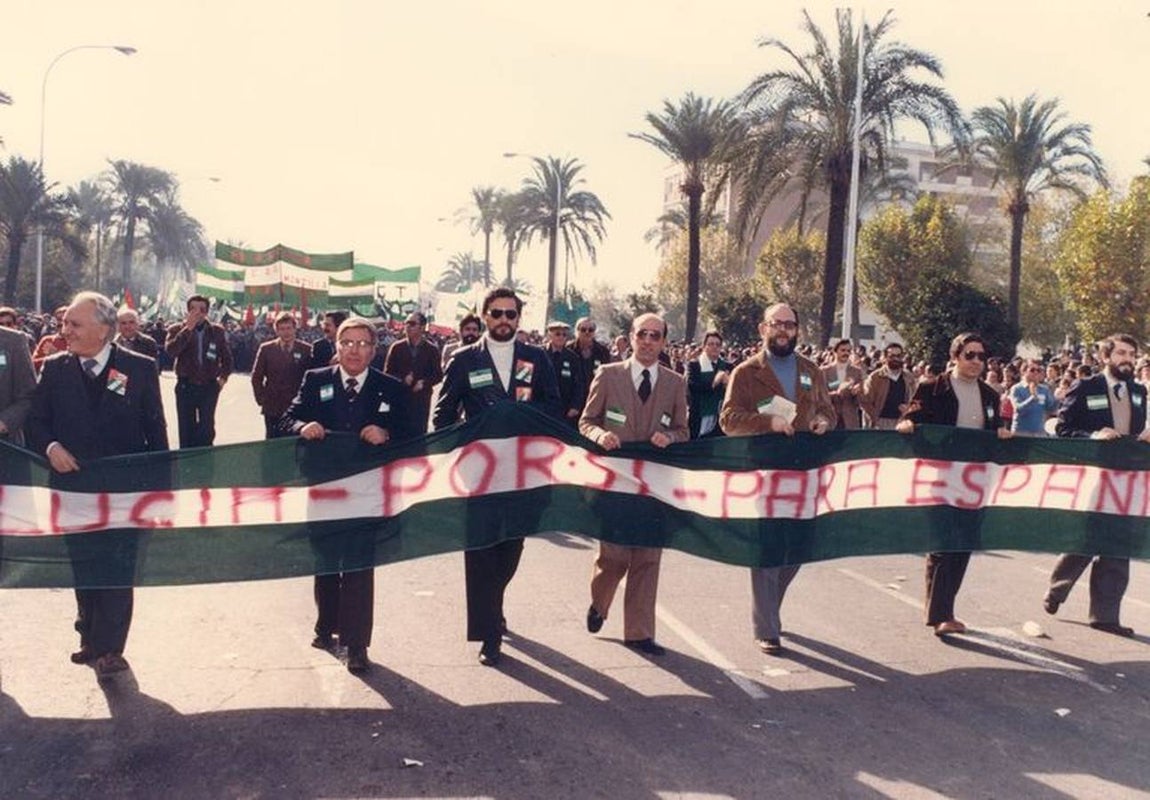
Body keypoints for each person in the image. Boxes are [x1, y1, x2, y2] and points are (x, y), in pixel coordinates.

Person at [25, 291, 169, 678]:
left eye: (74, 324)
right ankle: (89, 636)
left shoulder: (139, 368)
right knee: (83, 563)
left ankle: (110, 649)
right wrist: (51, 447)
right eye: (65, 323)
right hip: (72, 488)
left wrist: (161, 491)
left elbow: (156, 429)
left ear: (104, 330)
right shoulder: (55, 368)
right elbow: (36, 422)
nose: (64, 330)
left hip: (124, 492)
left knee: (119, 566)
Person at [432, 287, 562, 666]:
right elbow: (442, 415)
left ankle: (494, 603)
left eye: (511, 314)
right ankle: (489, 634)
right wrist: (462, 444)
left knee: (511, 547)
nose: (504, 320)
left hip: (523, 469)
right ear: (484, 316)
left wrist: (519, 416)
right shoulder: (462, 360)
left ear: (519, 319)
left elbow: (553, 406)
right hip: (479, 471)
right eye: (496, 313)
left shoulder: (536, 358)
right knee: (480, 550)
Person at [280, 317, 413, 672]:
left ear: (374, 349)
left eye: (362, 343)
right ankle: (326, 626)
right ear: (336, 347)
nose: (354, 350)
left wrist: (385, 433)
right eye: (347, 343)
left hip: (368, 492)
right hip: (323, 488)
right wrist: (302, 426)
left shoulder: (391, 387)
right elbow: (287, 417)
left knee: (358, 564)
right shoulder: (315, 380)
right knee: (325, 561)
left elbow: (411, 433)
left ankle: (356, 644)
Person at [719, 303, 834, 655]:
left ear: (797, 330)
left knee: (797, 548)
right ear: (762, 328)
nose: (783, 330)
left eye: (789, 324)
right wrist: (766, 422)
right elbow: (728, 419)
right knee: (768, 547)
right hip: (764, 471)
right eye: (776, 324)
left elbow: (827, 409)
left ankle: (769, 607)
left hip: (803, 471)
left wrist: (823, 422)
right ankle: (767, 627)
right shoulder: (745, 372)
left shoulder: (811, 371)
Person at [580, 312, 689, 656]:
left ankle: (639, 633)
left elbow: (685, 430)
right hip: (614, 481)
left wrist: (669, 436)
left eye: (655, 336)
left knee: (647, 558)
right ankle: (599, 603)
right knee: (612, 557)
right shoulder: (608, 375)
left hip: (652, 484)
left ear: (663, 342)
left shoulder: (675, 383)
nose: (648, 341)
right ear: (631, 337)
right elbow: (587, 420)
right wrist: (601, 434)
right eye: (642, 334)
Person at [896, 332, 1011, 636]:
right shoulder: (932, 388)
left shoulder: (990, 394)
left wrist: (1000, 432)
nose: (976, 361)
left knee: (961, 544)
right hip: (940, 476)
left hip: (975, 480)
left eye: (981, 356)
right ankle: (941, 614)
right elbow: (911, 420)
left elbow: (992, 427)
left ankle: (939, 610)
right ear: (955, 356)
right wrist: (909, 425)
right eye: (969, 355)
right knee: (946, 542)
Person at [1043, 334, 1150, 637]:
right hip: (1092, 476)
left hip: (1127, 479)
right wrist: (1092, 437)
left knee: (1118, 543)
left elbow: (1135, 429)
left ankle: (1105, 615)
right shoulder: (1086, 387)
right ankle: (1057, 590)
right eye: (1121, 353)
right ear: (1106, 357)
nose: (1127, 358)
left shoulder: (1139, 391)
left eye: (1131, 353)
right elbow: (1062, 428)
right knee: (1087, 539)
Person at [165, 295, 233, 448]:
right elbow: (171, 351)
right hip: (185, 385)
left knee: (206, 429)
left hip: (208, 386)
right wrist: (187, 330)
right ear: (187, 311)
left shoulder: (216, 331)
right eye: (193, 309)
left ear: (207, 312)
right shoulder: (176, 329)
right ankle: (186, 463)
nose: (197, 313)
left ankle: (205, 462)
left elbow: (227, 359)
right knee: (186, 427)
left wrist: (222, 380)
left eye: (202, 310)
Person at [250, 311, 313, 438]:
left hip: (297, 407)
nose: (286, 332)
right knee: (272, 443)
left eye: (289, 328)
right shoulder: (266, 349)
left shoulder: (306, 350)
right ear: (276, 331)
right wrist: (261, 399)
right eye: (282, 329)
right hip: (273, 406)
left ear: (295, 329)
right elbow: (256, 377)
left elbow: (312, 378)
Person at [384, 311, 442, 434]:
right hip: (399, 402)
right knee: (398, 438)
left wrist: (424, 383)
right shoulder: (396, 348)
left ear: (422, 327)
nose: (408, 326)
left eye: (412, 323)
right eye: (406, 323)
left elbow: (438, 375)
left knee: (418, 439)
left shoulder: (432, 350)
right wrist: (402, 380)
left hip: (420, 403)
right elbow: (387, 373)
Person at [687, 331, 733, 439]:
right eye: (711, 344)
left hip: (720, 419)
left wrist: (729, 382)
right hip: (699, 417)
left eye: (718, 345)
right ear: (704, 346)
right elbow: (693, 387)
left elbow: (735, 391)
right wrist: (716, 382)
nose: (714, 347)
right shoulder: (694, 365)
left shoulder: (728, 366)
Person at [861, 343, 917, 430]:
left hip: (901, 423)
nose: (896, 359)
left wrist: (908, 408)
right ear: (885, 357)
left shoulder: (909, 377)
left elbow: (915, 399)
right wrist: (875, 419)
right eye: (892, 356)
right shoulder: (875, 377)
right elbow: (866, 401)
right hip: (880, 422)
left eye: (899, 356)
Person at [544, 320, 587, 427]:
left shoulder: (572, 358)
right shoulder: (539, 353)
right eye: (557, 334)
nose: (561, 337)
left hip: (564, 407)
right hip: (541, 404)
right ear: (549, 335)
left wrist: (575, 406)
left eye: (564, 334)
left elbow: (579, 384)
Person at [821, 338, 865, 430]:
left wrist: (856, 393)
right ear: (835, 351)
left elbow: (862, 399)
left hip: (850, 420)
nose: (846, 353)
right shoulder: (824, 371)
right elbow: (819, 395)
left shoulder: (857, 372)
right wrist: (836, 393)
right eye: (843, 350)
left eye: (848, 351)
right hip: (829, 418)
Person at [1008, 358, 1057, 436]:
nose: (1036, 372)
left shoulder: (1044, 389)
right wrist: (1032, 398)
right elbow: (1018, 409)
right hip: (1021, 433)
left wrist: (1059, 398)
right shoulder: (1017, 388)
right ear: (1023, 372)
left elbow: (1051, 409)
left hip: (1039, 433)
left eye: (1038, 370)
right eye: (1032, 370)